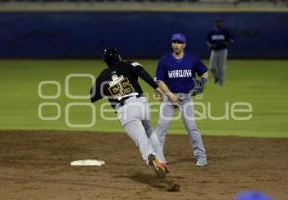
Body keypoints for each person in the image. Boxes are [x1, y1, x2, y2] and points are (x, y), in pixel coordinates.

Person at [90, 48, 169, 177]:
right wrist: (156, 88)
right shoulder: (130, 64)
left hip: (126, 110)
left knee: (141, 139)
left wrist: (110, 87)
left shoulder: (104, 75)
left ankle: (152, 159)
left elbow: (93, 96)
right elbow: (143, 73)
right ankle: (162, 161)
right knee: (149, 131)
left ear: (106, 61)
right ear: (119, 57)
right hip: (141, 104)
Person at [155, 33, 208, 167]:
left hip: (186, 98)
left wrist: (202, 81)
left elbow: (204, 72)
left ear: (184, 45)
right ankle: (158, 158)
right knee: (161, 128)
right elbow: (159, 80)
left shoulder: (192, 60)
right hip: (169, 98)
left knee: (192, 127)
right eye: (174, 42)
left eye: (179, 42)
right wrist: (169, 94)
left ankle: (201, 156)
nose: (176, 45)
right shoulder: (165, 60)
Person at [206, 17, 234, 86]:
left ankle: (220, 83)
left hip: (223, 51)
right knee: (211, 67)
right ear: (216, 23)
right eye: (217, 22)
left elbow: (232, 39)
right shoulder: (211, 31)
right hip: (214, 51)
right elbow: (207, 40)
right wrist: (210, 45)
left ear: (222, 23)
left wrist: (228, 43)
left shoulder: (225, 31)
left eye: (220, 22)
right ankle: (216, 77)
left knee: (221, 67)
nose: (219, 23)